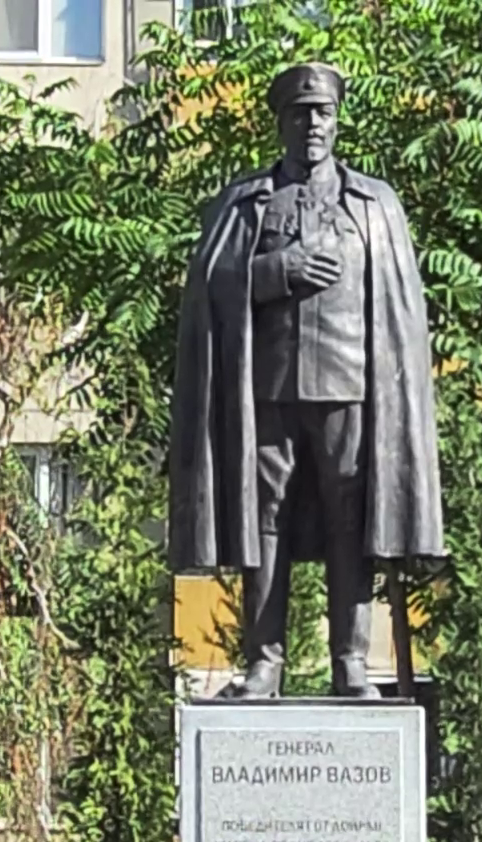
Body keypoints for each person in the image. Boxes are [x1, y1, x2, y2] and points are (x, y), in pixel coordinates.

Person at [169, 60, 446, 698]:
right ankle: (264, 662)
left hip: (350, 390)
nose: (311, 124)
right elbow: (210, 288)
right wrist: (277, 271)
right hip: (265, 393)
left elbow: (401, 314)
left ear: (337, 119)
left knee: (352, 521)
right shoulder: (245, 203)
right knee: (263, 520)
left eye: (322, 112)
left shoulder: (375, 204)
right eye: (299, 113)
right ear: (281, 122)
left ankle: (351, 663)